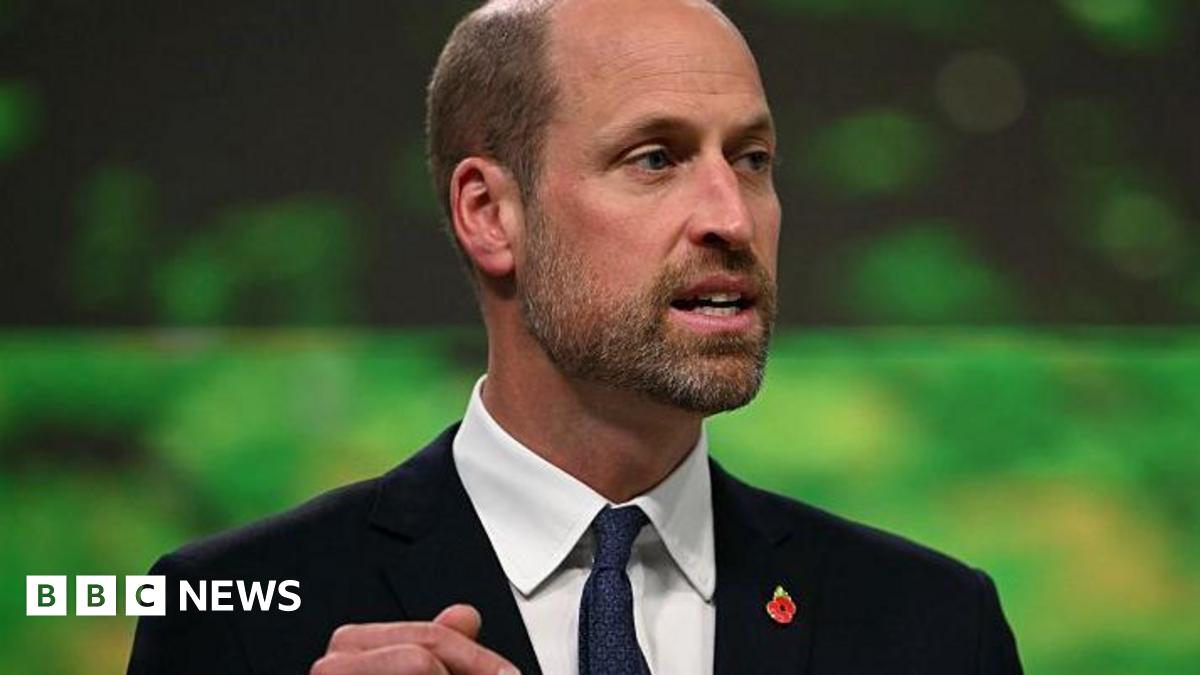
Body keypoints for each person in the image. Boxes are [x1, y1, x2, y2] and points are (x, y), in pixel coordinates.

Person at [127, 0, 1024, 673]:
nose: (732, 218)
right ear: (491, 215)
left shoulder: (937, 625)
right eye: (656, 158)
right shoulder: (228, 619)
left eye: (751, 160)